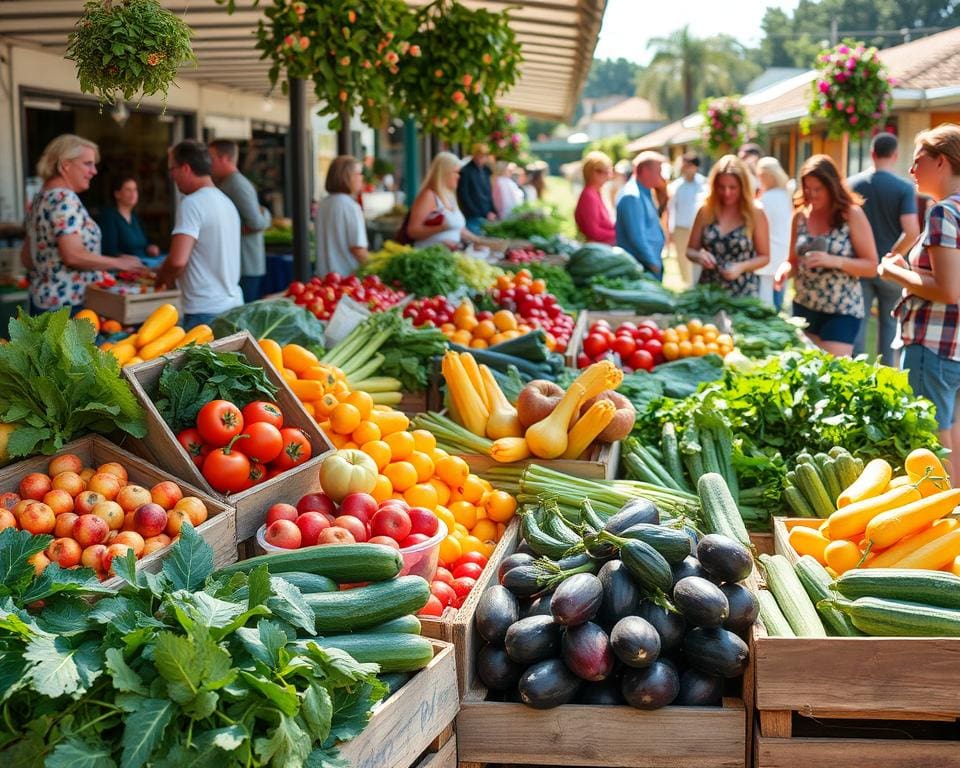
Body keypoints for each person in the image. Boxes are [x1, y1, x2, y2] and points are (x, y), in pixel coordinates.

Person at [879, 124, 960, 474]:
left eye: (918, 162)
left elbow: (948, 290)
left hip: (932, 346)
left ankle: (940, 522)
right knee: (952, 441)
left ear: (941, 161)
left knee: (931, 446)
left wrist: (893, 271)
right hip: (954, 346)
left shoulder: (943, 212)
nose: (911, 171)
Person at [21, 134, 143, 315]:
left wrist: (49, 272)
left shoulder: (41, 197)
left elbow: (27, 258)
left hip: (42, 302)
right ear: (65, 165)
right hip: (69, 307)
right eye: (88, 164)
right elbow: (73, 255)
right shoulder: (64, 199)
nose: (94, 171)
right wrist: (118, 262)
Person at [774, 154, 878, 357]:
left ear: (832, 186)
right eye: (807, 188)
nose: (811, 194)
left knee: (832, 372)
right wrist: (784, 271)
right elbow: (792, 262)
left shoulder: (851, 214)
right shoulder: (800, 216)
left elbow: (872, 266)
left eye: (817, 189)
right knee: (808, 369)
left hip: (841, 309)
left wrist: (834, 261)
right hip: (805, 306)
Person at [848, 132, 920, 366]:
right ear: (896, 155)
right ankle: (886, 380)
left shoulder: (852, 184)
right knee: (890, 326)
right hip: (890, 268)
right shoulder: (904, 187)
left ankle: (854, 375)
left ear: (872, 154)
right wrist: (892, 255)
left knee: (858, 322)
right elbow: (911, 231)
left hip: (858, 264)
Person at [156, 140, 243, 329]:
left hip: (205, 311)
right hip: (233, 305)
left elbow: (178, 260)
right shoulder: (226, 202)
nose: (172, 176)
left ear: (186, 168)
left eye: (172, 169)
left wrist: (162, 278)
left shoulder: (191, 203)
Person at [687, 155, 769, 298]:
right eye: (721, 187)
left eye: (733, 187)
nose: (726, 193)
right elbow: (690, 250)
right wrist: (700, 256)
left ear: (743, 187)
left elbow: (765, 257)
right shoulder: (705, 210)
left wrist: (741, 267)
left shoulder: (755, 213)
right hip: (709, 292)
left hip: (743, 293)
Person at [208, 139, 272, 303]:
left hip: (246, 265)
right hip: (243, 263)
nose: (208, 163)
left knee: (243, 321)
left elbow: (256, 223)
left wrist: (265, 214)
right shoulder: (230, 182)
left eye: (211, 158)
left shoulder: (236, 184)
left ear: (225, 159)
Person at [408, 151, 480, 249]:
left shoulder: (450, 195)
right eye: (456, 172)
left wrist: (482, 241)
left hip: (449, 254)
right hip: (429, 256)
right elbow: (413, 231)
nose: (459, 176)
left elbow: (459, 229)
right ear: (444, 173)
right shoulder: (429, 195)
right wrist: (441, 228)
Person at [616, 151, 667, 280]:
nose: (662, 176)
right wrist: (653, 262)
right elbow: (637, 237)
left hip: (648, 262)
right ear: (645, 171)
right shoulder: (632, 196)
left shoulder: (644, 192)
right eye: (659, 171)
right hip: (642, 266)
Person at [314, 155, 369, 275]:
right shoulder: (350, 206)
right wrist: (374, 269)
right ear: (347, 177)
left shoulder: (324, 203)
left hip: (324, 279)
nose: (362, 178)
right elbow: (358, 248)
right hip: (347, 279)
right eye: (359, 173)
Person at [756, 157, 794, 309]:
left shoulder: (766, 199)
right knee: (778, 294)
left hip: (769, 251)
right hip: (783, 250)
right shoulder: (786, 195)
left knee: (766, 300)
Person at [666, 152, 707, 286]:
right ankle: (687, 284)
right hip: (681, 228)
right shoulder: (676, 186)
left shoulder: (704, 184)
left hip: (699, 228)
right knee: (682, 258)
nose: (686, 168)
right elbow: (671, 209)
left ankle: (695, 283)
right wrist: (670, 230)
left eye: (689, 165)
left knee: (697, 258)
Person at [98, 177, 161, 261]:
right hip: (124, 268)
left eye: (135, 190)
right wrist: (124, 258)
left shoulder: (135, 217)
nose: (133, 194)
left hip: (144, 262)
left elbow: (143, 244)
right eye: (128, 190)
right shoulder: (109, 217)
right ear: (117, 194)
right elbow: (109, 252)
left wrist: (150, 248)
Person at [574, 151, 616, 245]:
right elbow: (593, 232)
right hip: (599, 250)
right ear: (590, 172)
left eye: (607, 171)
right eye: (600, 171)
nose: (607, 175)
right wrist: (619, 234)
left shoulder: (596, 193)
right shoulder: (589, 196)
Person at [457, 143, 495, 234]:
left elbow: (489, 193)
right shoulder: (465, 171)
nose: (481, 158)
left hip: (487, 214)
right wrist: (476, 212)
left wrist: (492, 210)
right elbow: (463, 195)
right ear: (474, 155)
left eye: (483, 156)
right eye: (479, 155)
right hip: (473, 215)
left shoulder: (486, 171)